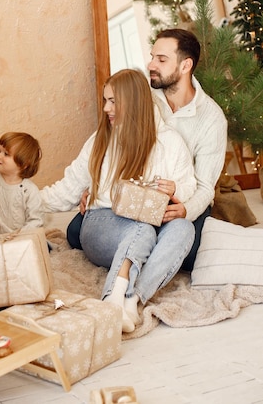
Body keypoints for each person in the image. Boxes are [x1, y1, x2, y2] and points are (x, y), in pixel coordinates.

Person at [40, 68, 196, 332]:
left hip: (152, 225)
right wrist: (24, 197)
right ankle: (112, 300)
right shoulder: (99, 140)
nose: (105, 109)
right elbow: (66, 190)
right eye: (105, 100)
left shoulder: (170, 142)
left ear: (133, 102)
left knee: (184, 228)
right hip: (103, 223)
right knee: (141, 228)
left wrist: (176, 188)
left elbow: (189, 187)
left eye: (113, 101)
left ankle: (132, 300)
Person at [67, 28, 228, 272]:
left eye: (161, 60)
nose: (151, 64)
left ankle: (139, 255)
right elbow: (112, 146)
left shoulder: (212, 119)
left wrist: (184, 210)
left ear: (185, 66)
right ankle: (146, 251)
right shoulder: (142, 96)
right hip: (135, 197)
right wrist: (97, 186)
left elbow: (205, 187)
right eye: (152, 56)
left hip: (180, 200)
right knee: (76, 232)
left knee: (192, 254)